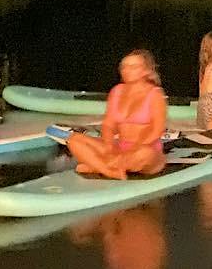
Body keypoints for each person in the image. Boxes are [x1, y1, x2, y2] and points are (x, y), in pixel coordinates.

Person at [65, 50, 168, 180]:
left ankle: (98, 165)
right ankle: (109, 170)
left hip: (145, 149)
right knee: (74, 139)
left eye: (133, 67)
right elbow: (108, 125)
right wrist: (109, 146)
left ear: (146, 71)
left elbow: (157, 130)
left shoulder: (155, 94)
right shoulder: (117, 91)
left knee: (143, 155)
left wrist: (131, 151)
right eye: (124, 67)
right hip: (120, 147)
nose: (127, 70)